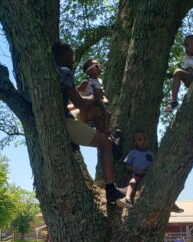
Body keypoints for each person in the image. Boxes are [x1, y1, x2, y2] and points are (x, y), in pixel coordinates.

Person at [52, 42, 123, 204]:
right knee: (105, 144)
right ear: (63, 55)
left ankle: (103, 133)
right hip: (64, 122)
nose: (73, 58)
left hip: (61, 115)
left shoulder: (50, 72)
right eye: (71, 54)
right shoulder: (65, 71)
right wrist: (95, 97)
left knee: (97, 113)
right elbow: (79, 103)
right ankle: (111, 189)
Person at [117, 130, 184, 213]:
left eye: (145, 139)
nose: (143, 141)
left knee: (162, 186)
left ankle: (171, 203)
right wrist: (136, 169)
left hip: (150, 174)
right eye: (140, 139)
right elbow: (127, 165)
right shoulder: (133, 152)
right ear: (135, 142)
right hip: (138, 173)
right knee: (132, 182)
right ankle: (127, 199)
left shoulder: (150, 154)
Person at [76, 59, 111, 136]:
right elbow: (78, 90)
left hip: (98, 102)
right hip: (89, 102)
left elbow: (101, 93)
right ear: (89, 71)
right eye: (96, 66)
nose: (99, 67)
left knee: (107, 114)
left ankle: (107, 130)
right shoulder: (86, 81)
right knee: (94, 116)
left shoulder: (99, 81)